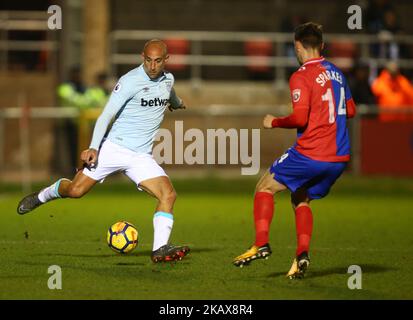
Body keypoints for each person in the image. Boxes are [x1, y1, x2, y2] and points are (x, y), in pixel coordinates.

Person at [17, 39, 190, 263]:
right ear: (142, 57)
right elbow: (106, 115)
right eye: (148, 60)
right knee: (76, 191)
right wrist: (93, 147)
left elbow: (170, 93)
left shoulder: (168, 80)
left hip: (141, 156)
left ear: (166, 60)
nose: (153, 66)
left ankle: (159, 249)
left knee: (168, 194)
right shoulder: (129, 81)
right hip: (114, 148)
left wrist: (177, 103)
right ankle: (44, 195)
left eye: (158, 61)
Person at [232, 22, 356, 279]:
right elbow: (351, 110)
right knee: (301, 198)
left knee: (264, 187)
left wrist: (274, 121)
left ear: (297, 46)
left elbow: (299, 119)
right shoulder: (338, 73)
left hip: (311, 153)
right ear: (322, 46)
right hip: (340, 157)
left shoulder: (301, 75)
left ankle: (261, 243)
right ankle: (301, 255)